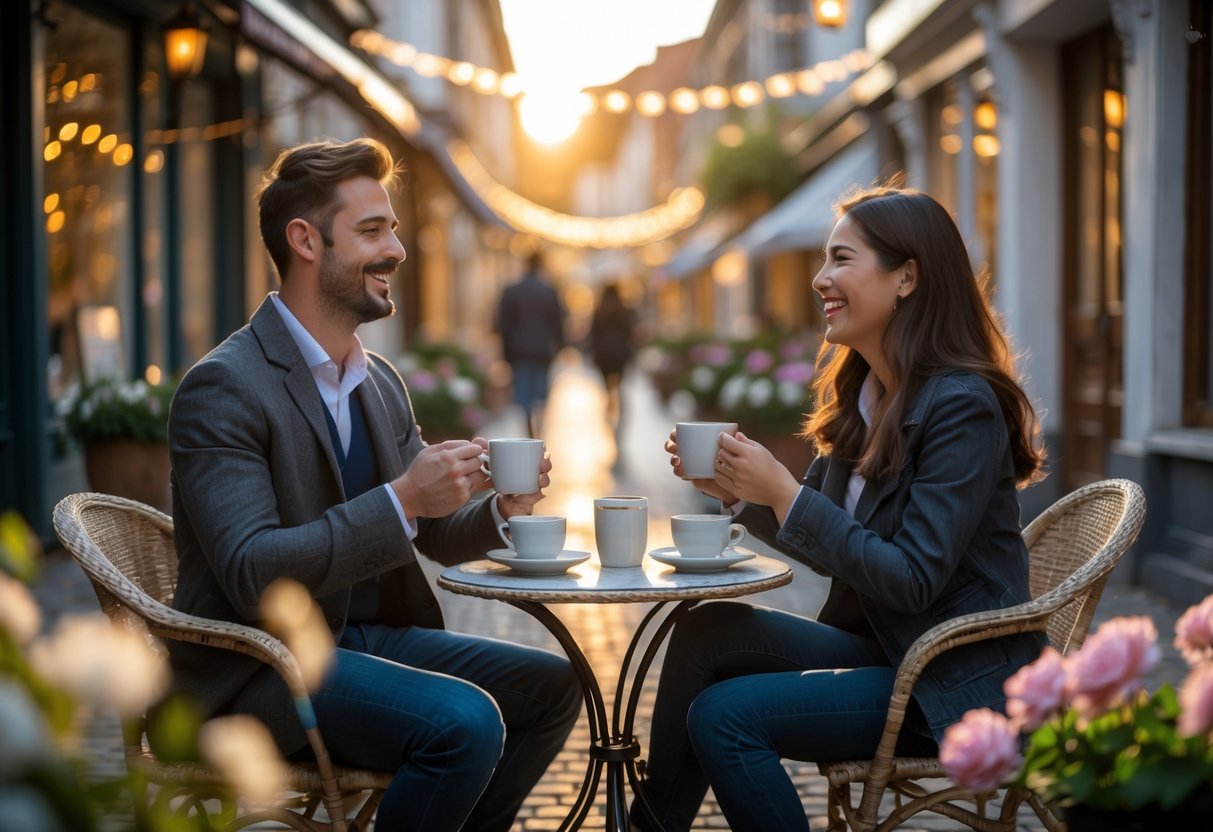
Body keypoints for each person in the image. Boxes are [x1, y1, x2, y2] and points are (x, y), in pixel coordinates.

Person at [165, 138, 581, 832]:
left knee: (554, 686)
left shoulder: (375, 379)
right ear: (305, 240)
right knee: (465, 723)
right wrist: (405, 497)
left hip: (368, 640)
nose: (396, 249)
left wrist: (496, 509)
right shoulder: (223, 387)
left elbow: (439, 535)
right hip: (264, 666)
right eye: (371, 230)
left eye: (391, 227)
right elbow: (252, 571)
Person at [635, 185, 1048, 832]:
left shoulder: (961, 405)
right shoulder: (872, 394)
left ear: (905, 277)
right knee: (702, 631)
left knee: (723, 715)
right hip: (888, 647)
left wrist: (782, 491)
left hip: (947, 681)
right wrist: (747, 494)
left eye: (840, 260)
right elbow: (832, 533)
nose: (819, 278)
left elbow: (909, 579)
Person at [495, 251, 566, 437]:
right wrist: (559, 347)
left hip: (519, 351)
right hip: (543, 350)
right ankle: (539, 431)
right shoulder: (549, 292)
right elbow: (558, 323)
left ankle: (529, 431)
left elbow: (503, 324)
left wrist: (505, 353)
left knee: (524, 394)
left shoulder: (512, 291)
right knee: (541, 395)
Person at [588, 281, 637, 433]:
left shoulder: (599, 311)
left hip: (603, 355)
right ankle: (619, 416)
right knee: (620, 387)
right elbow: (630, 333)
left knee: (607, 387)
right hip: (620, 354)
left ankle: (609, 409)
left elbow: (593, 335)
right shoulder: (625, 311)